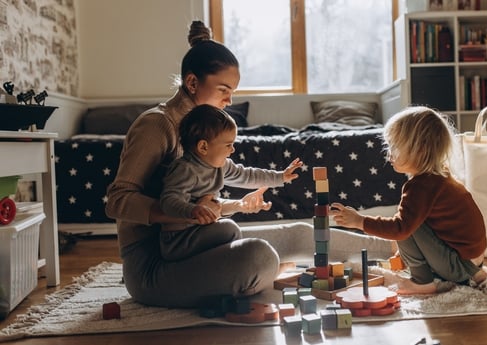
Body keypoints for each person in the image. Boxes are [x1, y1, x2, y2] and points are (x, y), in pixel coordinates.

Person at [106, 20, 395, 308]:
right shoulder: (157, 126)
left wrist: (234, 205)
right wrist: (193, 213)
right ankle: (258, 277)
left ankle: (396, 248)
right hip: (155, 264)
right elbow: (118, 202)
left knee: (300, 233)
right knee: (258, 257)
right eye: (223, 90)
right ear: (193, 83)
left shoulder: (206, 131)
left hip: (196, 242)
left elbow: (205, 203)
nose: (230, 100)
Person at [330, 106, 487, 295]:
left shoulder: (421, 186)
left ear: (419, 150)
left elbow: (400, 229)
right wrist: (403, 254)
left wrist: (359, 221)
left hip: (459, 264)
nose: (389, 154)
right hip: (470, 260)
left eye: (394, 147)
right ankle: (468, 275)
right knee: (410, 220)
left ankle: (424, 281)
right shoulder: (440, 177)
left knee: (403, 225)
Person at [158, 103, 303, 261]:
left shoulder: (221, 165)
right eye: (228, 145)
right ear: (203, 147)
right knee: (228, 229)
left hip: (198, 233)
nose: (233, 150)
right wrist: (192, 210)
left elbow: (247, 175)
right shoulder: (185, 168)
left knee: (229, 231)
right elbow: (169, 200)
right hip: (178, 240)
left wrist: (280, 177)